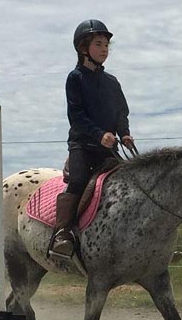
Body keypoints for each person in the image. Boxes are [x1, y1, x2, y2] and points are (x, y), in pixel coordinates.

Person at [49, 19, 134, 260]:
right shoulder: (75, 78)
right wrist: (99, 134)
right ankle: (62, 233)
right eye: (99, 44)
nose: (105, 49)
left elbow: (121, 113)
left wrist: (124, 133)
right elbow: (76, 115)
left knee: (131, 183)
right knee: (77, 181)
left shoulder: (112, 82)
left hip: (109, 148)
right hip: (83, 145)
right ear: (83, 48)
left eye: (107, 45)